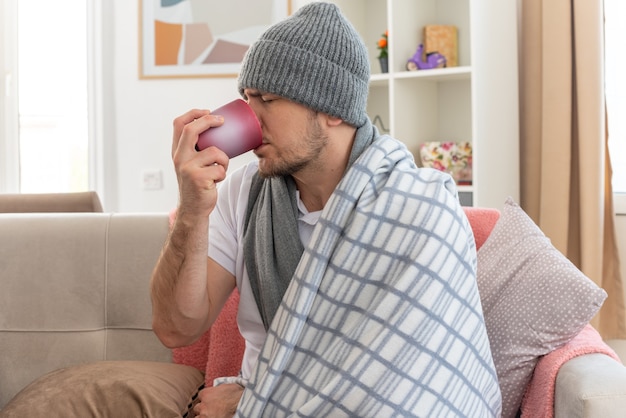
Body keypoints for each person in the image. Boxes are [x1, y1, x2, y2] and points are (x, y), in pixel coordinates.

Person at [150, 2, 502, 417]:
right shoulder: (241, 195)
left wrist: (257, 405)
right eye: (245, 98)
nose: (250, 118)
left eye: (267, 99)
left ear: (333, 109)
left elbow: (401, 385)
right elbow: (176, 328)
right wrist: (192, 211)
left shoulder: (420, 208)